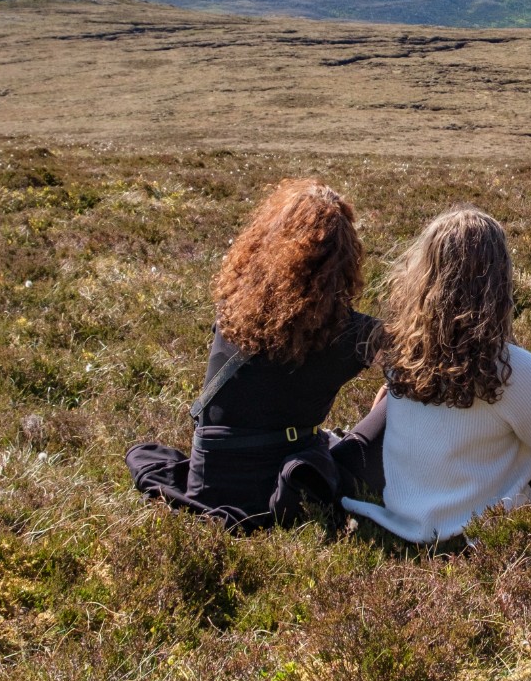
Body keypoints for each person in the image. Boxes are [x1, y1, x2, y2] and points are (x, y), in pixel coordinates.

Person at [339, 206, 531, 545]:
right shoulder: (514, 369)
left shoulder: (401, 355)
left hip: (406, 524)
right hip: (480, 534)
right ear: (499, 281)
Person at [125, 178, 383, 527]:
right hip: (277, 488)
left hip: (210, 481)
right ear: (345, 257)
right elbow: (419, 369)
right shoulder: (353, 334)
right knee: (397, 402)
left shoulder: (232, 308)